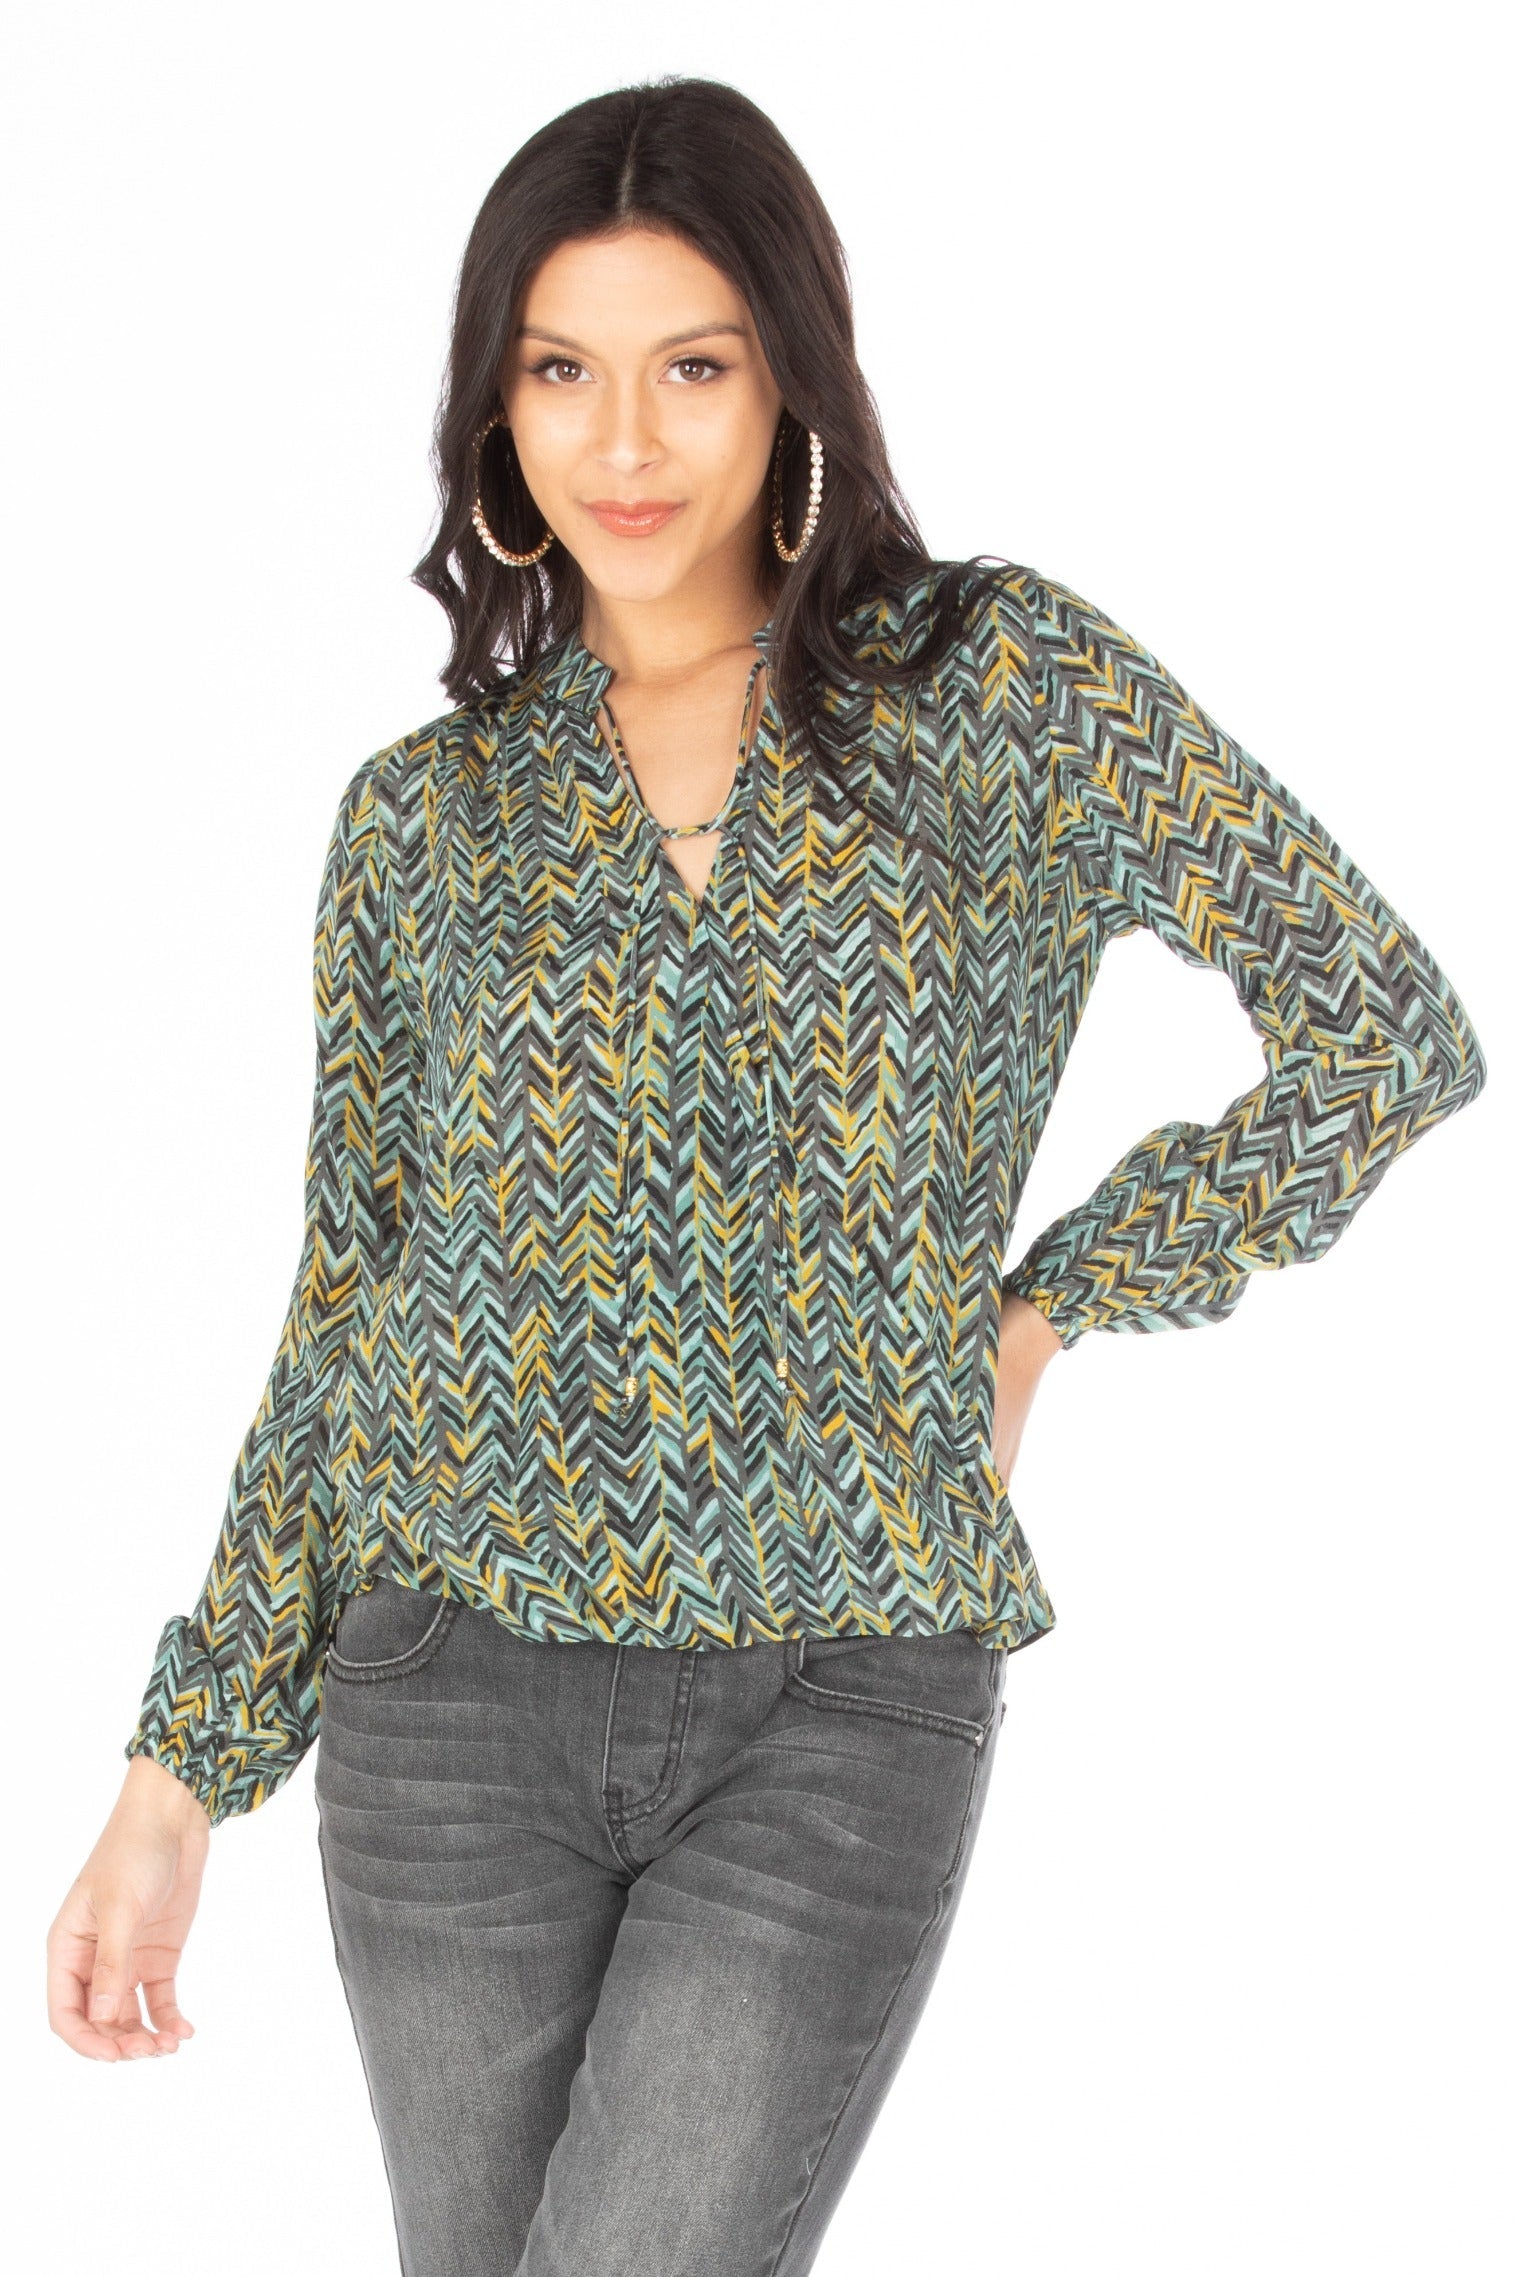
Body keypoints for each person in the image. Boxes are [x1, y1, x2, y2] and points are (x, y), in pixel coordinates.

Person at [46, 74, 1487, 2277]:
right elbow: (349, 1300)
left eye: (693, 368)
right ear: (493, 410)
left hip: (839, 1689)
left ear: (792, 375)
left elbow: (1385, 1027)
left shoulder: (995, 690)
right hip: (442, 1704)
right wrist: (176, 1776)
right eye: (562, 371)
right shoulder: (422, 818)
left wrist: (1050, 1305)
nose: (623, 442)